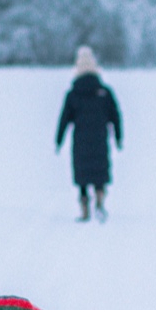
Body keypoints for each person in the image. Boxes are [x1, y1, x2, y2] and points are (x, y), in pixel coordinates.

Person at [56, 45, 123, 222]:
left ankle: (84, 206)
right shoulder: (105, 92)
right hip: (100, 139)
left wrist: (59, 140)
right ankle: (100, 199)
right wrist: (118, 137)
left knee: (83, 174)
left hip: (81, 141)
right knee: (100, 170)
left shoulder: (73, 94)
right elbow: (115, 116)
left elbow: (64, 119)